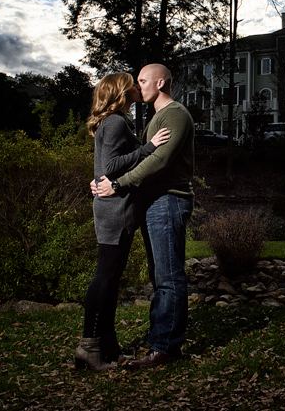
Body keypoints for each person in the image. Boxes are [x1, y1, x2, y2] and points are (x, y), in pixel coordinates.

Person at [95, 63, 194, 369]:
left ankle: (165, 348)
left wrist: (119, 185)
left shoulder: (175, 114)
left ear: (161, 82)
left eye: (142, 80)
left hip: (169, 200)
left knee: (168, 276)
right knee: (159, 275)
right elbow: (131, 159)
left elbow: (159, 162)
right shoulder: (155, 119)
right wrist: (103, 179)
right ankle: (159, 338)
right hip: (154, 203)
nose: (138, 86)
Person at [75, 72, 170, 372]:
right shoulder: (116, 122)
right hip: (115, 209)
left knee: (110, 278)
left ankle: (106, 345)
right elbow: (112, 166)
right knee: (105, 276)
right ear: (121, 90)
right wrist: (149, 147)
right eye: (132, 82)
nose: (136, 87)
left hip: (111, 206)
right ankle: (89, 346)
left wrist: (96, 181)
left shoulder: (111, 122)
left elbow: (102, 168)